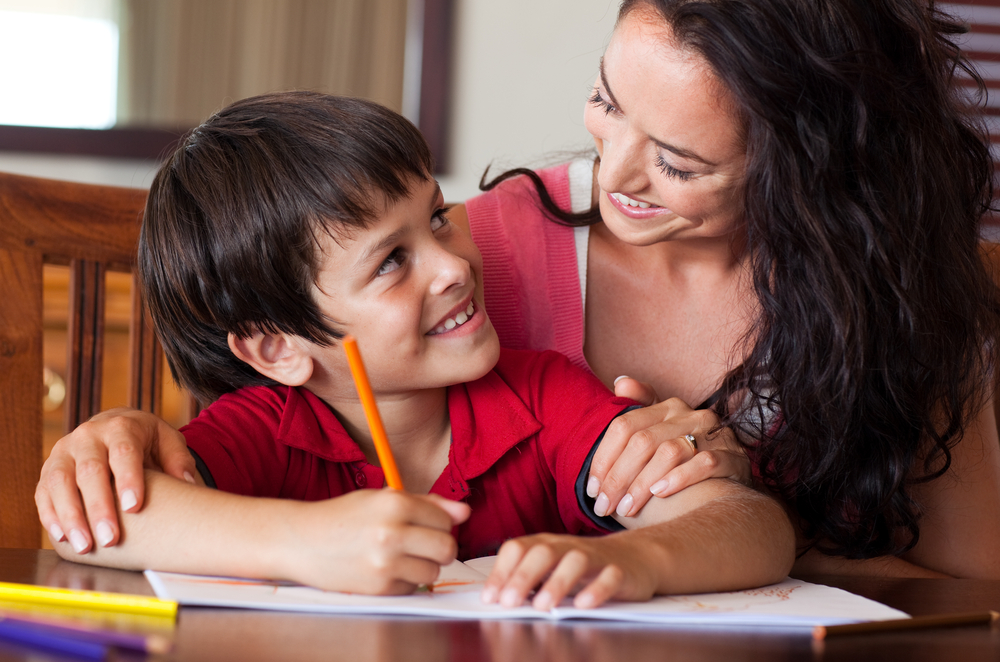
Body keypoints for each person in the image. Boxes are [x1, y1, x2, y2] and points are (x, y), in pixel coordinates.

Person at [38, 0, 1000, 578]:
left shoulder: (894, 289)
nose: (612, 176)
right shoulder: (481, 268)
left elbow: (961, 583)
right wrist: (125, 439)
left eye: (678, 161)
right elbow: (208, 449)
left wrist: (665, 537)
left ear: (811, 170)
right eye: (605, 102)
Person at [45, 91, 793, 607]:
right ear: (278, 348)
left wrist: (632, 559)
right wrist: (305, 543)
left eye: (437, 216)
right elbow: (91, 523)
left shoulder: (538, 395)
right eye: (391, 262)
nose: (454, 264)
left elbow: (754, 527)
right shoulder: (267, 429)